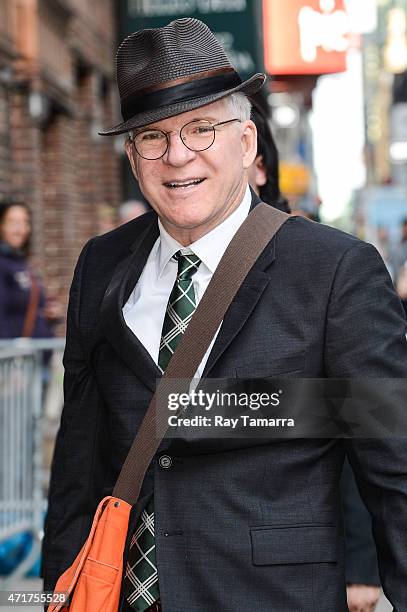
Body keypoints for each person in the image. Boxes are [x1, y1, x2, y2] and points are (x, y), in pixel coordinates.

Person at [42, 18, 407, 611]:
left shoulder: (335, 271)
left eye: (201, 129)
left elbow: (395, 468)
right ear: (133, 157)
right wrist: (54, 592)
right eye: (153, 137)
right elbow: (78, 462)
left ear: (246, 142)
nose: (177, 156)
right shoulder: (100, 265)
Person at [249, 104, 381, 612]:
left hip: (300, 562)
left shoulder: (325, 264)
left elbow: (364, 426)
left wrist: (364, 564)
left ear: (258, 164)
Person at [0, 201, 60, 339]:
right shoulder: (3, 264)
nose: (21, 230)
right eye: (13, 222)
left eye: (25, 222)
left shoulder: (22, 263)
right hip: (13, 357)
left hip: (34, 356)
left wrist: (47, 314)